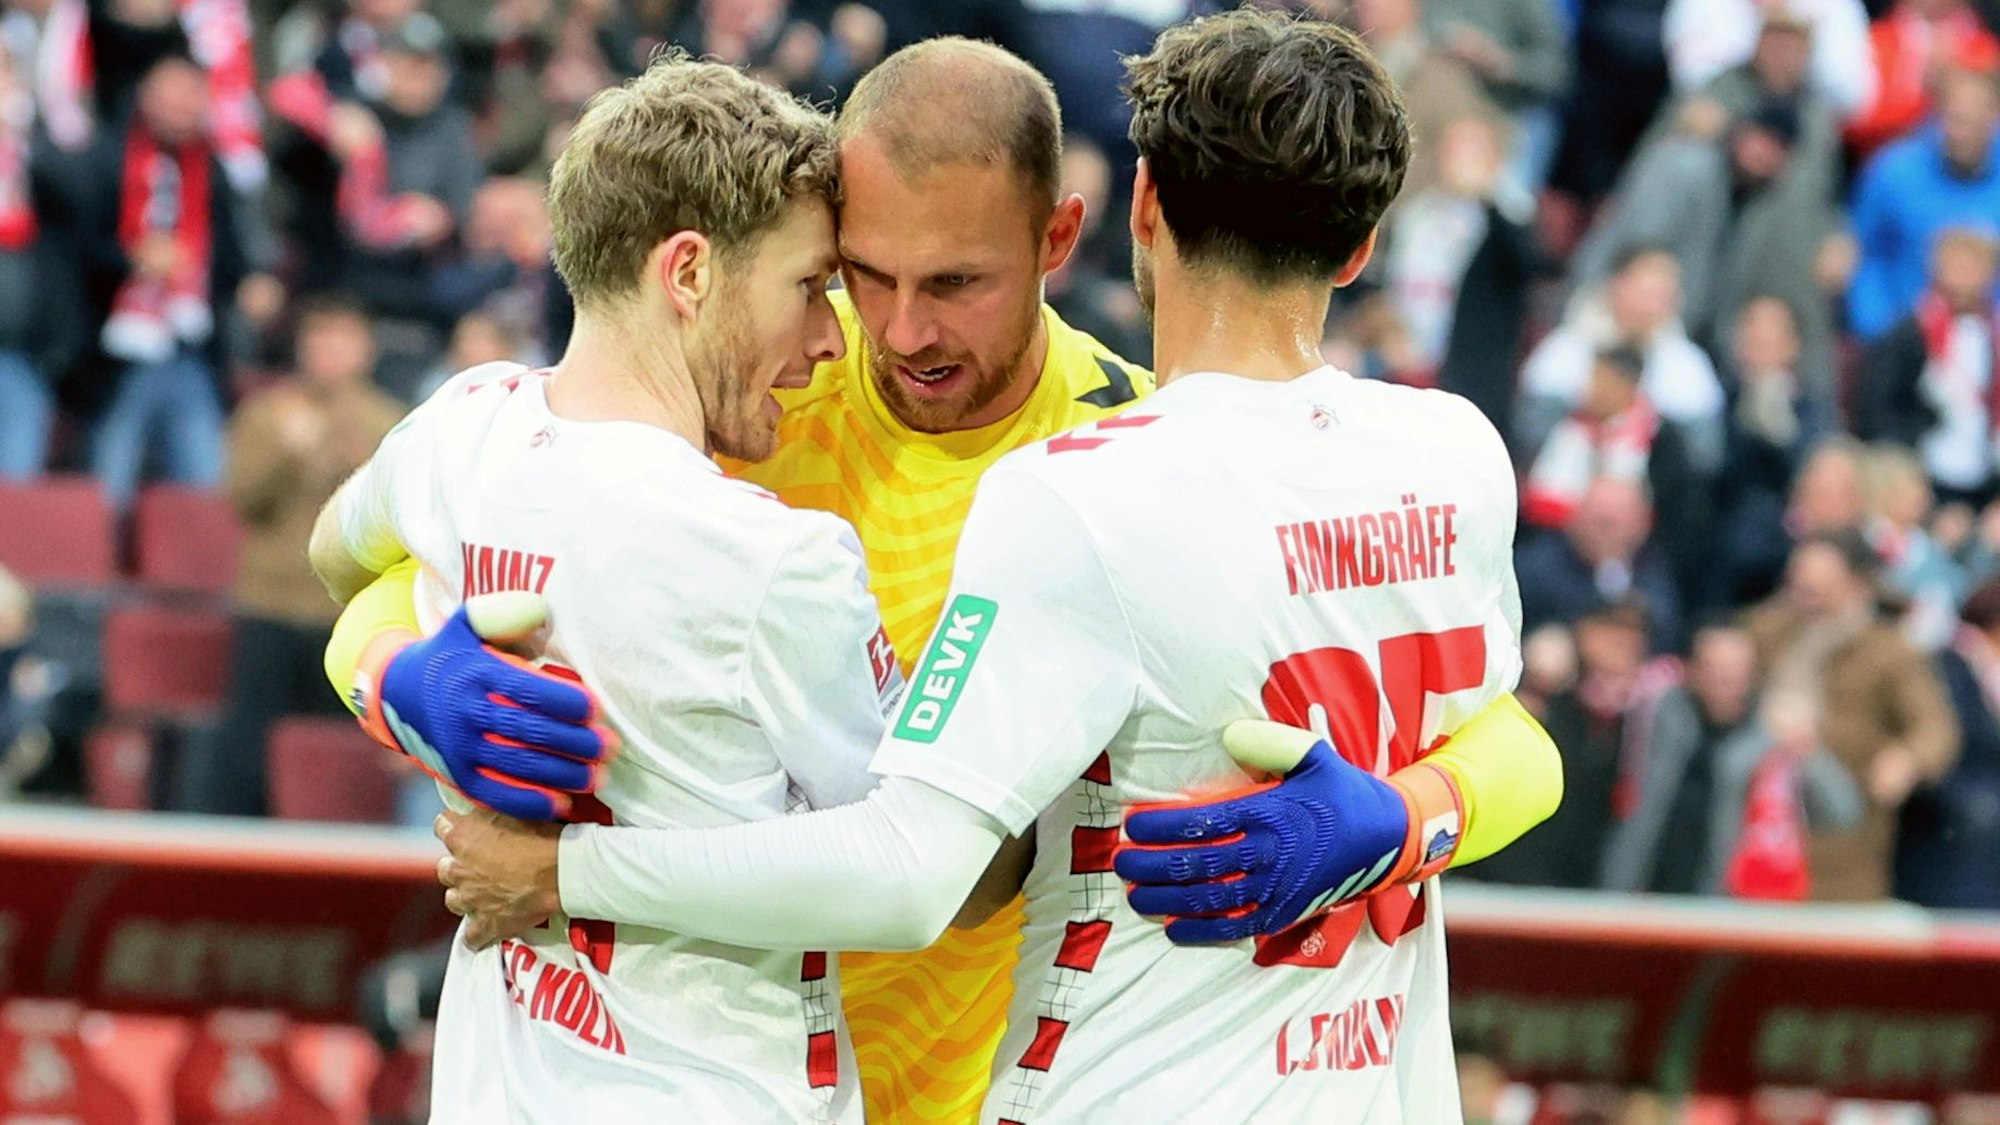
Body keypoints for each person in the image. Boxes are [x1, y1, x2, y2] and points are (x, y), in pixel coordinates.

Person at [318, 33, 1563, 1125]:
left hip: (984, 1075)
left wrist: (1398, 814)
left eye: (957, 283)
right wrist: (399, 678)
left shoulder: (1115, 469)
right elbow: (424, 549)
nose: (901, 329)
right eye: (860, 276)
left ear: (1072, 233)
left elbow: (930, 869)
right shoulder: (746, 390)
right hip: (710, 1060)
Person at [310, 54, 885, 1121]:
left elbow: (333, 555)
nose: (826, 340)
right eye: (810, 287)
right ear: (689, 271)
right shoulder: (773, 555)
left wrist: (394, 679)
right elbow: (906, 867)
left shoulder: (462, 429)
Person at [169, 295, 403, 816]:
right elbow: (239, 498)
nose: (329, 350)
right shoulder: (266, 413)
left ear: (365, 349)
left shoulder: (389, 422)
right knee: (247, 743)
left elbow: (400, 517)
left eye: (342, 337)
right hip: (269, 602)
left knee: (343, 746)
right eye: (318, 336)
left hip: (346, 612)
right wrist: (286, 453)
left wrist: (357, 463)